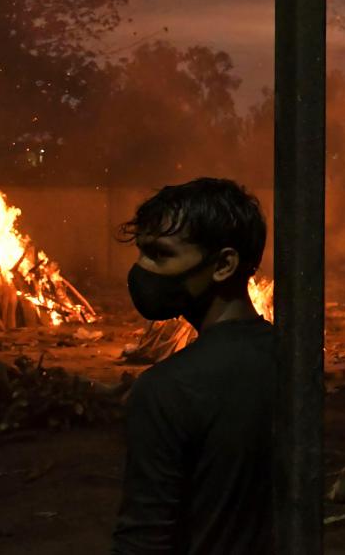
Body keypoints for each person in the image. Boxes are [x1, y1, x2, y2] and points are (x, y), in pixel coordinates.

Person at [111, 177, 274, 554]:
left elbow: (144, 539)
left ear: (223, 264)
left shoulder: (168, 389)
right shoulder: (293, 362)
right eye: (141, 252)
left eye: (160, 254)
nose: (141, 269)